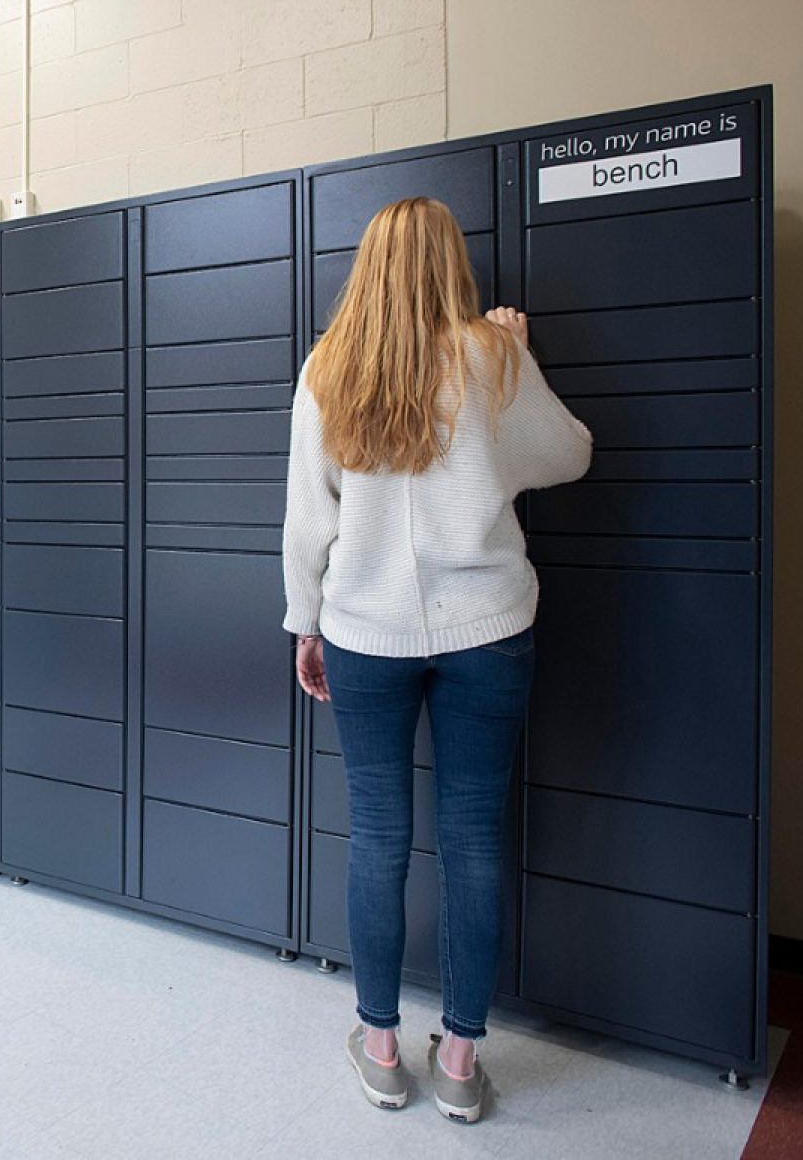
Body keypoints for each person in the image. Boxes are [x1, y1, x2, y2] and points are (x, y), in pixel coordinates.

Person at [282, 197, 592, 1123]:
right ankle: (459, 1059)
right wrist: (518, 356)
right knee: (472, 841)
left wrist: (306, 623)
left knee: (378, 834)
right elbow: (569, 455)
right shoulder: (489, 355)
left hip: (364, 634)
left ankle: (379, 1047)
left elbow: (310, 520)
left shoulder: (328, 368)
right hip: (487, 631)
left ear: (368, 265)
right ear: (452, 265)